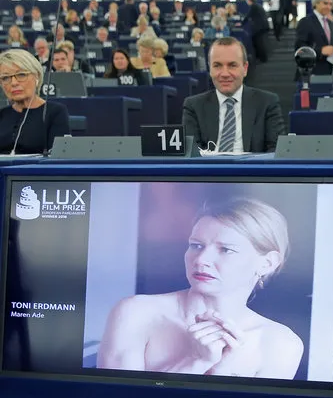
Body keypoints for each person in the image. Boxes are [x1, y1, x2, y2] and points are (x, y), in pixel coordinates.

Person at [97, 197, 303, 378]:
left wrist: (220, 372)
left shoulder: (280, 343)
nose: (201, 259)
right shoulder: (135, 313)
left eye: (226, 250)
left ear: (267, 263)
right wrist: (195, 361)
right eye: (196, 245)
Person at [183, 37, 285, 153]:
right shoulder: (193, 106)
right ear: (210, 69)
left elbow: (277, 152)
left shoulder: (267, 103)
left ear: (245, 68)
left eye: (232, 65)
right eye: (217, 66)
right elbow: (191, 155)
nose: (225, 74)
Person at [0, 49, 70, 154]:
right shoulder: (2, 115)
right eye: (5, 78)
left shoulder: (55, 112)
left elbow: (59, 157)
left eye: (21, 75)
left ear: (36, 76)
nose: (14, 83)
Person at [294, 0, 333, 76]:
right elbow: (299, 50)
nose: (328, 7)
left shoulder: (332, 24)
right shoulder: (305, 22)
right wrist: (320, 51)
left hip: (330, 73)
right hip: (310, 73)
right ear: (316, 3)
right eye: (325, 3)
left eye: (330, 4)